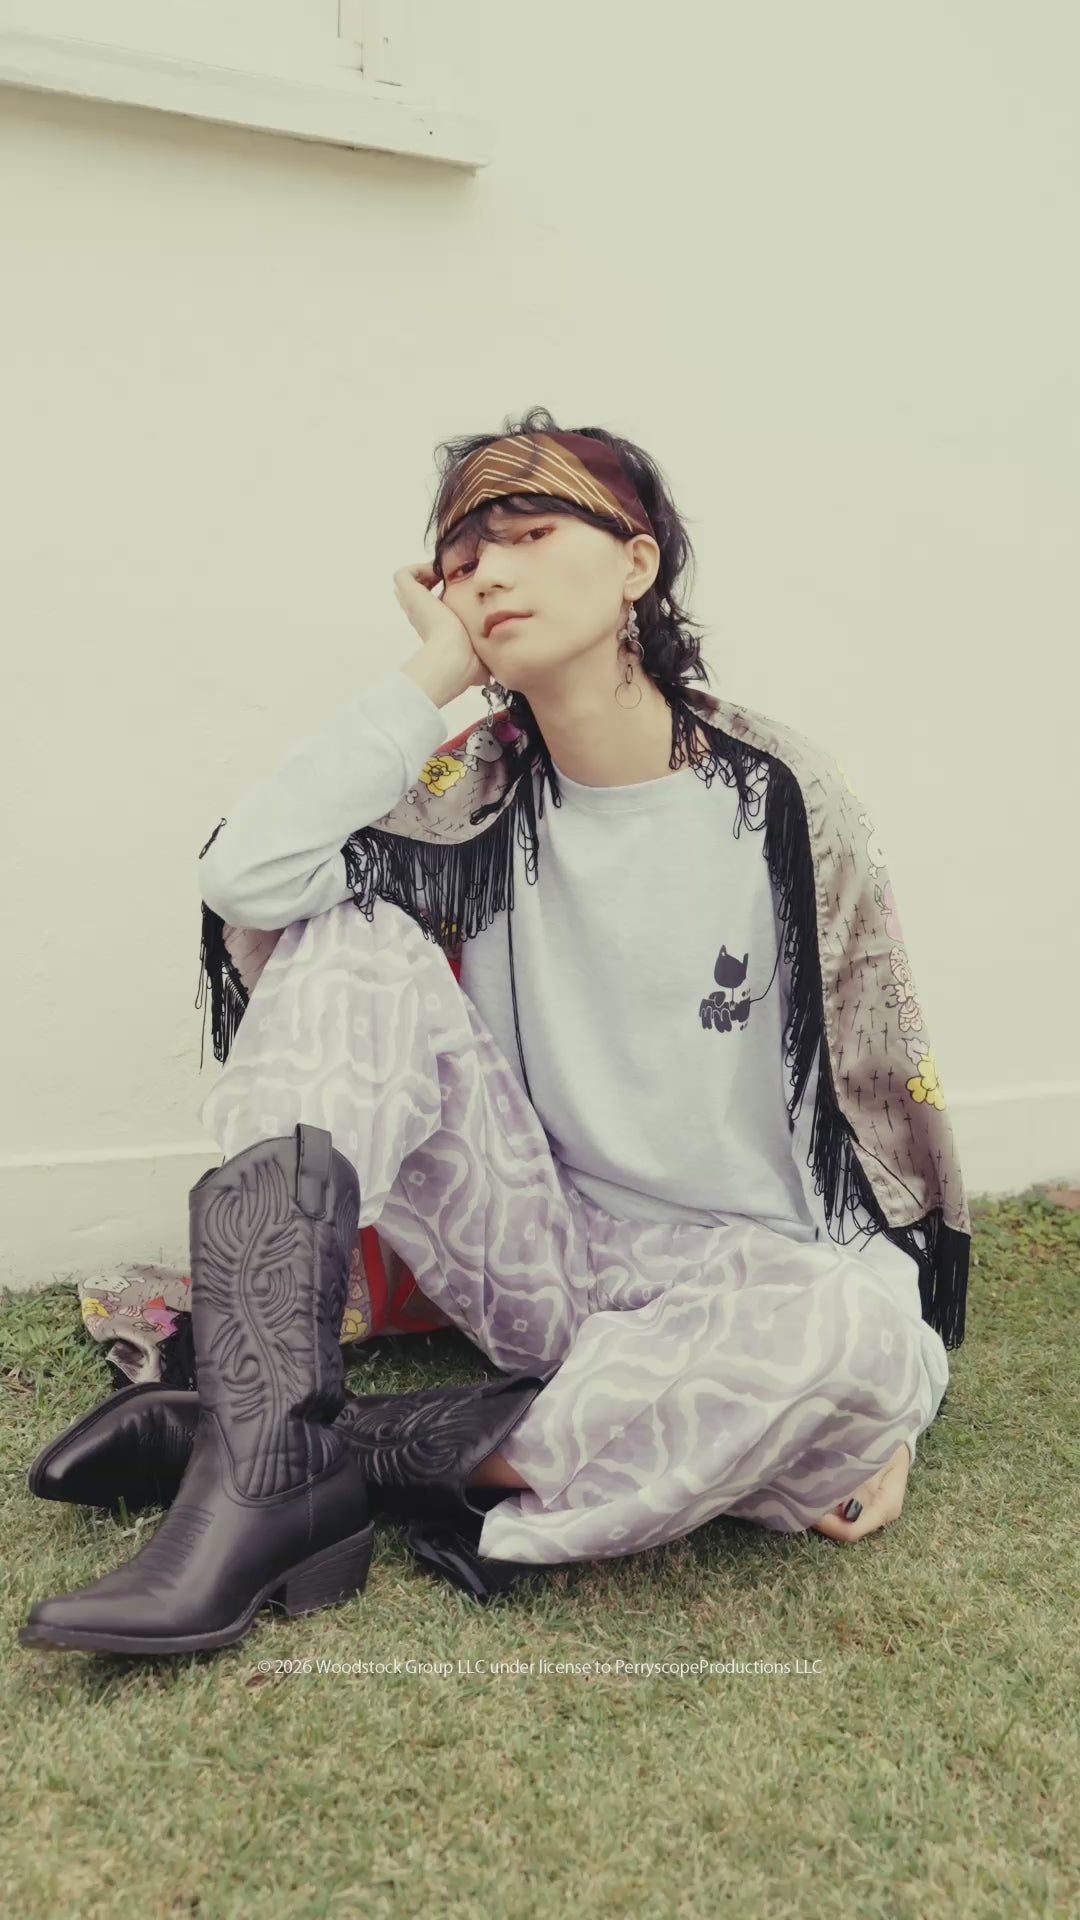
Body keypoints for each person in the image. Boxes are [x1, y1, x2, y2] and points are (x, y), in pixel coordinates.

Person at [20, 408, 960, 1655]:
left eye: (531, 533)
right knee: (348, 932)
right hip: (542, 1250)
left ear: (636, 564)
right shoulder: (468, 790)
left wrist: (887, 1405)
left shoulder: (779, 799)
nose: (489, 573)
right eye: (463, 558)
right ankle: (273, 1470)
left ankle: (278, 1451)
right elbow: (250, 876)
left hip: (748, 1278)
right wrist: (431, 676)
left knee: (861, 1339)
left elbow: (869, 1146)